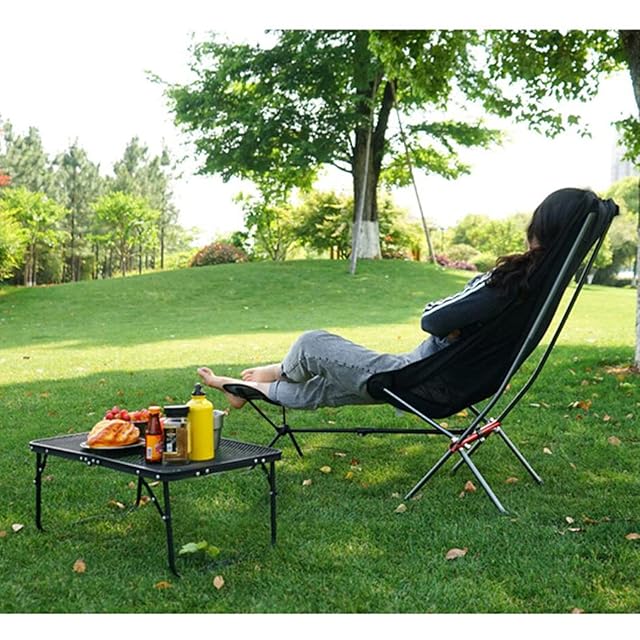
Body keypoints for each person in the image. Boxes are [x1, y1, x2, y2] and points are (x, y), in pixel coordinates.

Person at [197, 188, 583, 411]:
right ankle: (242, 389)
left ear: (539, 227)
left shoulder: (507, 283)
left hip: (418, 376)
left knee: (311, 342)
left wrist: (453, 324)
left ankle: (280, 371)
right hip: (449, 383)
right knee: (326, 388)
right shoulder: (540, 289)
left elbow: (433, 320)